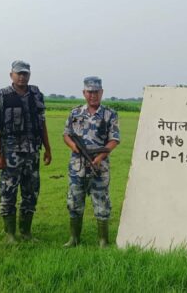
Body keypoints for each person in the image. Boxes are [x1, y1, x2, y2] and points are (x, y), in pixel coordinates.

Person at [0, 60, 52, 243]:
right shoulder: (1, 95)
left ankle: (26, 232)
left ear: (29, 75)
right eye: (19, 73)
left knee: (31, 192)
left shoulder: (36, 94)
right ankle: (10, 234)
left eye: (25, 73)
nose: (22, 76)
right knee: (8, 191)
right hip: (10, 153)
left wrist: (48, 148)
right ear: (11, 75)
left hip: (33, 152)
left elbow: (42, 123)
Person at [63, 76, 120, 248]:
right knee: (74, 201)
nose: (93, 95)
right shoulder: (75, 113)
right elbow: (66, 134)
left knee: (101, 202)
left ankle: (103, 241)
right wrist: (73, 146)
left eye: (96, 92)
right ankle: (74, 239)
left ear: (101, 92)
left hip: (99, 165)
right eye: (89, 92)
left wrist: (100, 157)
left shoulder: (110, 114)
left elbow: (114, 139)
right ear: (84, 93)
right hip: (77, 165)